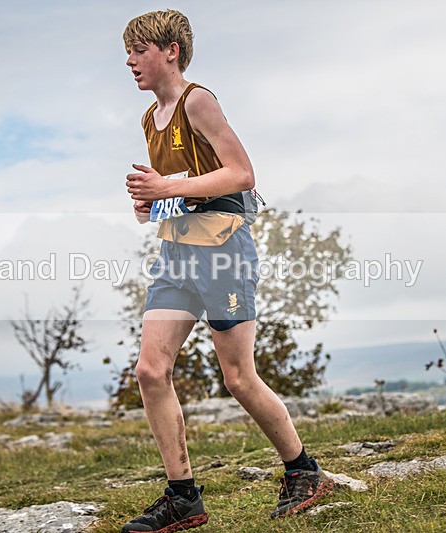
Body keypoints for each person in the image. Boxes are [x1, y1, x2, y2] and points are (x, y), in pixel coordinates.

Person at [121, 9, 333, 532]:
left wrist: (167, 188)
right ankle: (183, 496)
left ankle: (303, 470)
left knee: (238, 377)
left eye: (139, 50)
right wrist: (153, 204)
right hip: (177, 254)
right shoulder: (151, 118)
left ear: (170, 49)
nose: (130, 61)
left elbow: (241, 173)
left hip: (223, 253)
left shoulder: (199, 100)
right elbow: (190, 188)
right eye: (126, 53)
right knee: (150, 370)